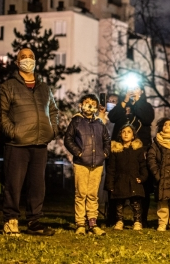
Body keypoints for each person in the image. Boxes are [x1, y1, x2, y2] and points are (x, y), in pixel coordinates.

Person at [1, 48, 58, 236]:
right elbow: (1, 113)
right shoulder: (8, 86)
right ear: (17, 63)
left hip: (40, 143)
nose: (27, 60)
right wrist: (13, 133)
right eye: (23, 57)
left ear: (35, 61)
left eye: (30, 57)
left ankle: (34, 222)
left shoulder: (44, 87)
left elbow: (54, 111)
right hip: (17, 144)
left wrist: (52, 130)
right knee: (13, 185)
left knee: (37, 186)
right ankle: (11, 220)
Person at [107, 82, 154, 226]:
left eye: (136, 88)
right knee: (116, 181)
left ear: (142, 91)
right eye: (130, 87)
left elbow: (146, 119)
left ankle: (141, 218)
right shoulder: (122, 104)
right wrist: (125, 101)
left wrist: (138, 101)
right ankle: (114, 218)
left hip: (139, 148)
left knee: (141, 184)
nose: (132, 90)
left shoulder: (146, 106)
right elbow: (112, 117)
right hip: (120, 148)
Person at [63, 93, 111, 235]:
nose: (89, 105)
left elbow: (107, 140)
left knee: (92, 194)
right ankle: (80, 224)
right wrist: (79, 153)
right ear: (81, 105)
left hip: (97, 164)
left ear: (96, 107)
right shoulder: (76, 121)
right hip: (81, 163)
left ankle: (92, 223)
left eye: (93, 103)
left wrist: (104, 154)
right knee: (81, 193)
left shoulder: (99, 123)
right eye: (87, 102)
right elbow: (68, 139)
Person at [106, 123, 148, 231]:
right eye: (123, 132)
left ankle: (137, 221)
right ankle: (119, 221)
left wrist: (143, 177)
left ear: (133, 135)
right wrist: (110, 183)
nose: (126, 134)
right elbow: (111, 168)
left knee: (136, 203)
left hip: (134, 180)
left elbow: (143, 165)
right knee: (119, 203)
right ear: (120, 134)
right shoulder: (116, 150)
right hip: (120, 180)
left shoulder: (138, 150)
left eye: (129, 132)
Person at [147, 118, 170, 232]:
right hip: (161, 177)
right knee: (162, 202)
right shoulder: (156, 143)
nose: (167, 126)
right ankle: (162, 223)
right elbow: (151, 159)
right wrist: (157, 174)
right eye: (165, 124)